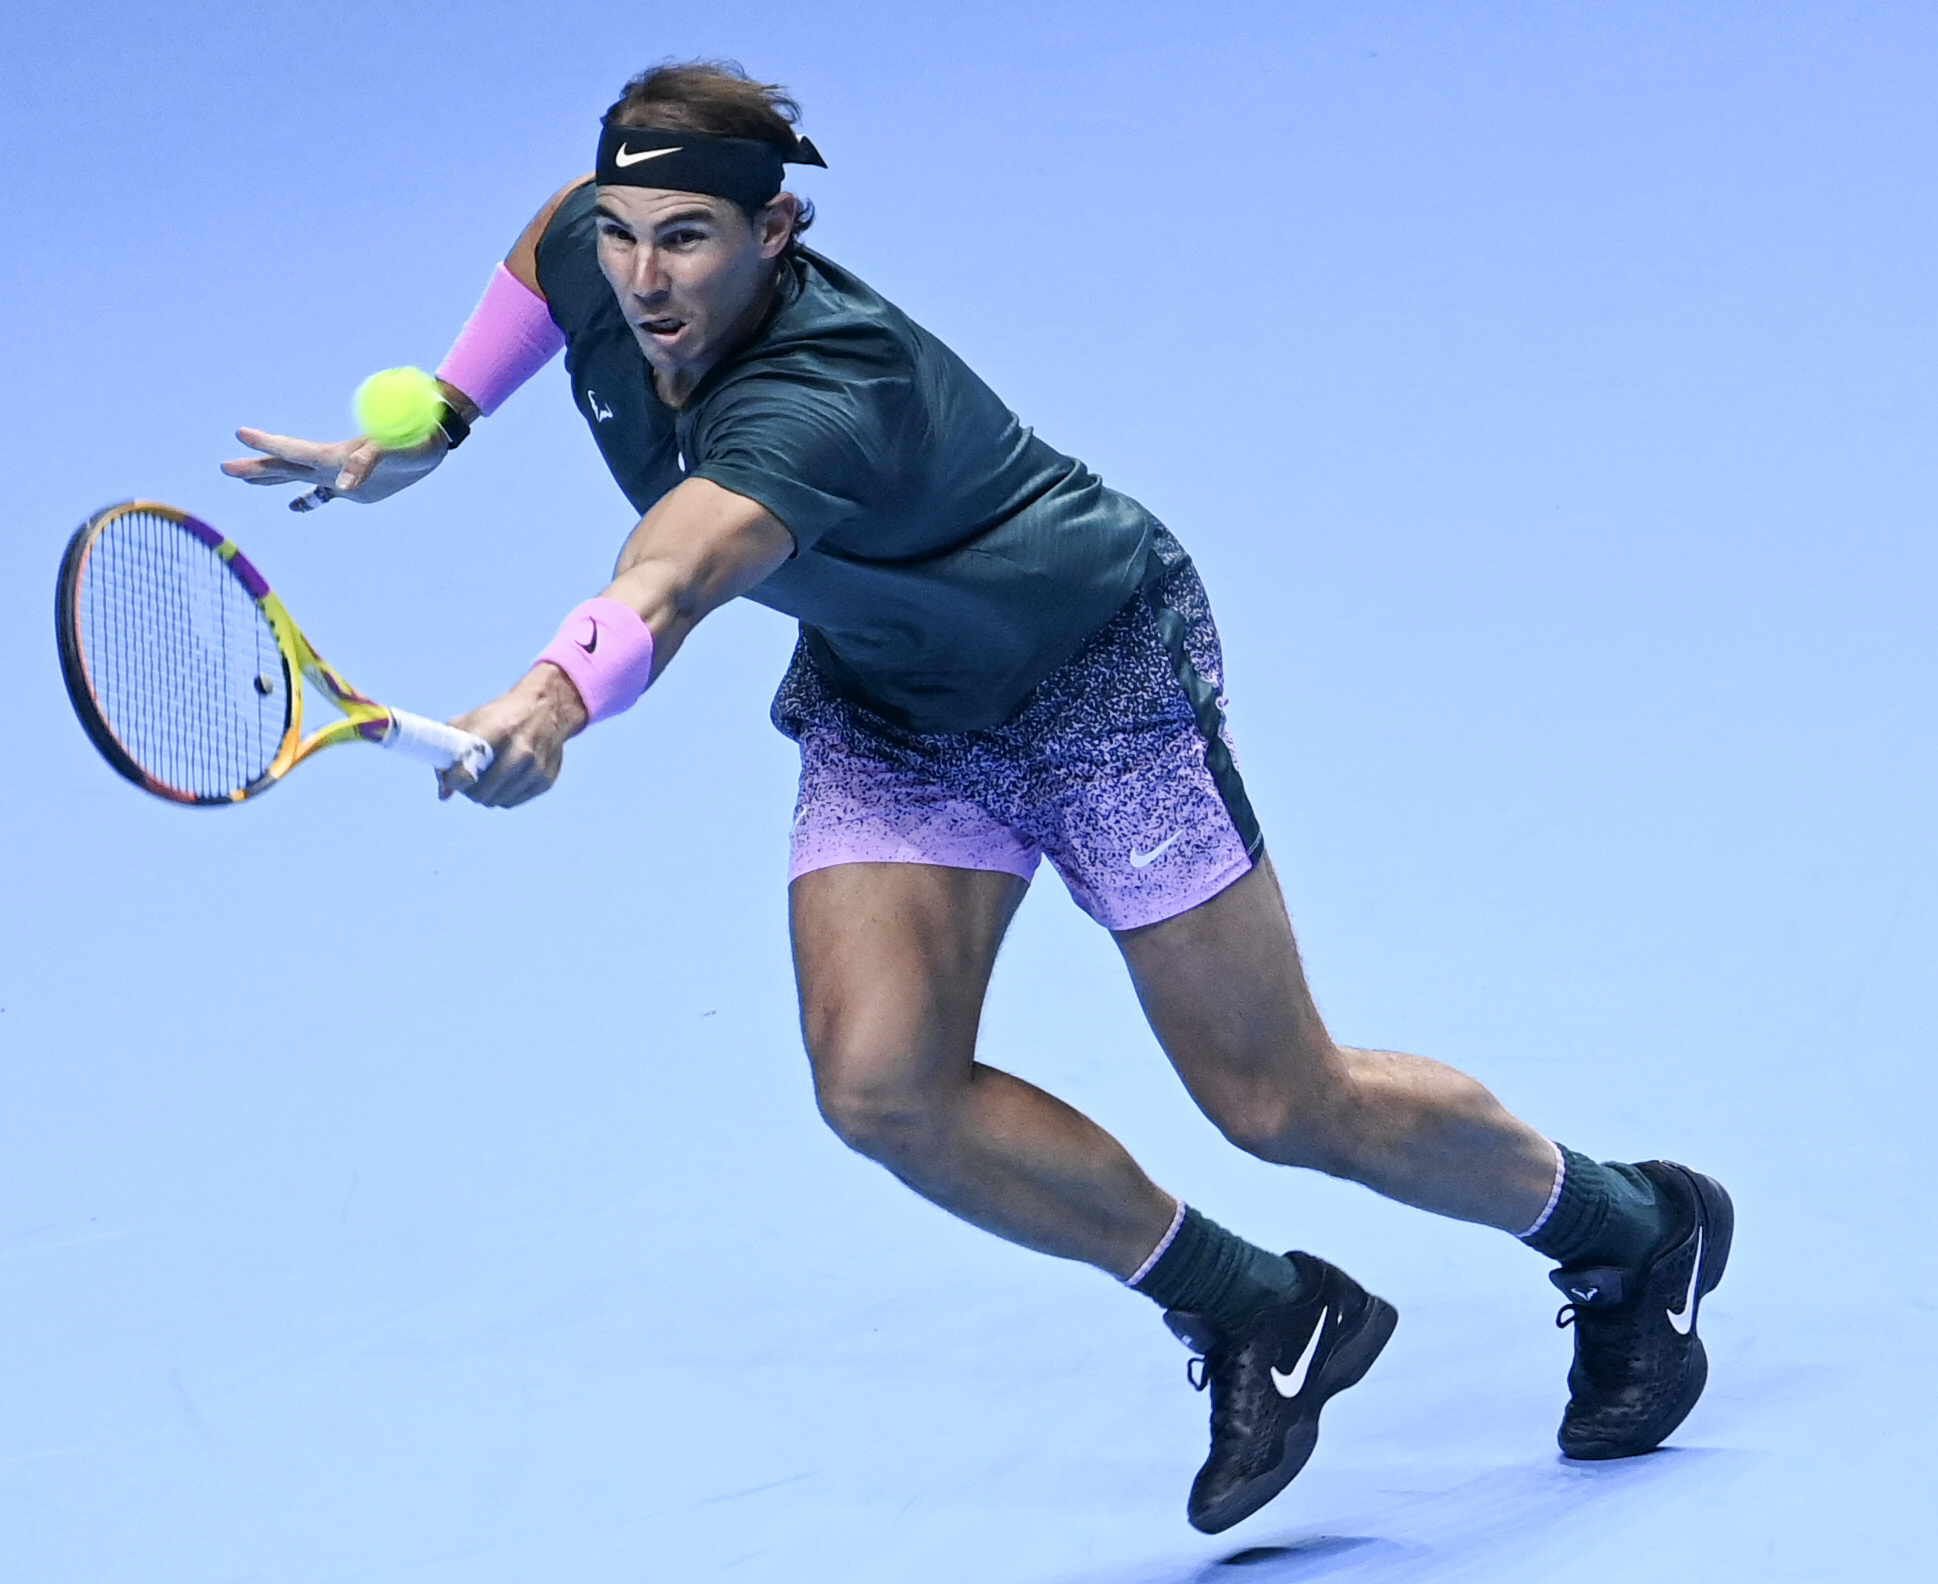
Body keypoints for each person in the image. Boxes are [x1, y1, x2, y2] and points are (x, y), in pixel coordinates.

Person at [225, 61, 1734, 1533]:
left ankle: (1626, 1229)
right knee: (881, 1087)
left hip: (1094, 678)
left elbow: (673, 571)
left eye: (686, 237)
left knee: (1279, 1103)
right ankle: (1258, 1310)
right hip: (895, 698)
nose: (641, 275)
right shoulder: (595, 232)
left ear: (775, 234)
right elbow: (543, 249)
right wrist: (437, 418)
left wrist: (553, 695)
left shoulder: (824, 394)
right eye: (626, 235)